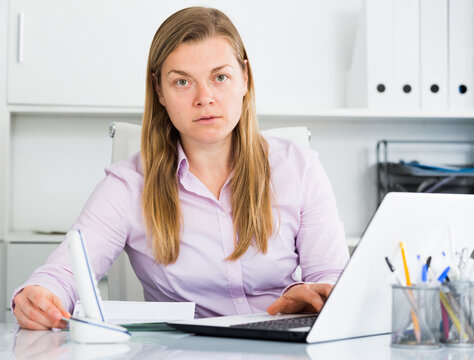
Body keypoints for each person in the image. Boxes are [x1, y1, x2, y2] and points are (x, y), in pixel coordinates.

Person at [12, 6, 349, 330]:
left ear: (244, 78)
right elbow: (63, 275)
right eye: (183, 82)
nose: (204, 98)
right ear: (159, 90)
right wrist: (39, 297)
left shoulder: (300, 169)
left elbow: (332, 279)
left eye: (220, 77)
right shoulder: (128, 186)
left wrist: (318, 294)